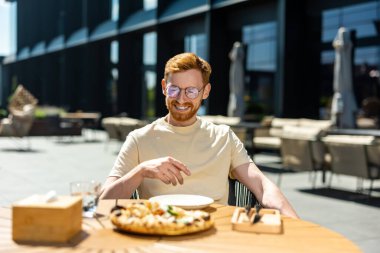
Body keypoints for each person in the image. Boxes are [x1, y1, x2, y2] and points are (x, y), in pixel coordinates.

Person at [100, 52, 298, 218]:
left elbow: (262, 186)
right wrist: (141, 171)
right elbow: (104, 203)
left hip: (217, 238)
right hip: (161, 237)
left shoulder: (223, 137)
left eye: (191, 91)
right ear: (163, 87)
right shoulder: (139, 139)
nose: (181, 98)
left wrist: (296, 226)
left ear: (205, 92)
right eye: (174, 89)